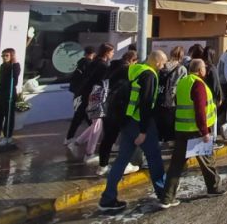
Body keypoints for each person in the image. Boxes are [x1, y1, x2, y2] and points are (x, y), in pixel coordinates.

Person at [98, 50, 168, 213]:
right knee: (154, 157)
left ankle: (107, 198)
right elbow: (145, 104)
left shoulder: (135, 68)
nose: (163, 66)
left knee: (121, 160)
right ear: (157, 62)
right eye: (163, 63)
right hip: (139, 122)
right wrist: (143, 131)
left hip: (126, 120)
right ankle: (164, 194)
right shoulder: (150, 75)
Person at [158, 59, 227, 209]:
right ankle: (214, 188)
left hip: (182, 129)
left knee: (176, 165)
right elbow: (200, 110)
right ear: (200, 70)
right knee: (207, 161)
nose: (206, 70)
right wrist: (204, 132)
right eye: (204, 68)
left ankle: (167, 197)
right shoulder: (198, 84)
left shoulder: (184, 82)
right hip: (196, 131)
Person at [68, 43, 114, 164]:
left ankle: (77, 142)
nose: (113, 54)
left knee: (96, 123)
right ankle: (89, 153)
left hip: (88, 94)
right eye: (112, 52)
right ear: (107, 52)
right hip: (95, 95)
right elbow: (102, 82)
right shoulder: (103, 66)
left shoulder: (94, 62)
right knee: (97, 124)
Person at [97, 51, 140, 177]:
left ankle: (102, 166)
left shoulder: (111, 67)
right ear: (132, 60)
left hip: (106, 106)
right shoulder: (127, 70)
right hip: (120, 108)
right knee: (126, 138)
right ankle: (125, 164)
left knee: (107, 138)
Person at [0, 49, 21, 147]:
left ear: (12, 56)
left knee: (9, 116)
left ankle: (7, 137)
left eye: (6, 55)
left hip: (9, 94)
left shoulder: (15, 66)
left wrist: (14, 63)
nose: (4, 58)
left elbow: (15, 81)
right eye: (3, 56)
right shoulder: (2, 66)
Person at [155, 47, 188, 143]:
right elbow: (183, 87)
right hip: (172, 102)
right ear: (181, 56)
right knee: (171, 127)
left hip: (159, 100)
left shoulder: (161, 67)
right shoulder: (182, 69)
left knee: (159, 127)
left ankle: (159, 143)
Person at [66, 46, 96, 144]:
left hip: (77, 93)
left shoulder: (80, 63)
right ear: (93, 54)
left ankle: (72, 138)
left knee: (83, 117)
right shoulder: (89, 65)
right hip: (85, 94)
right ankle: (71, 138)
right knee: (82, 117)